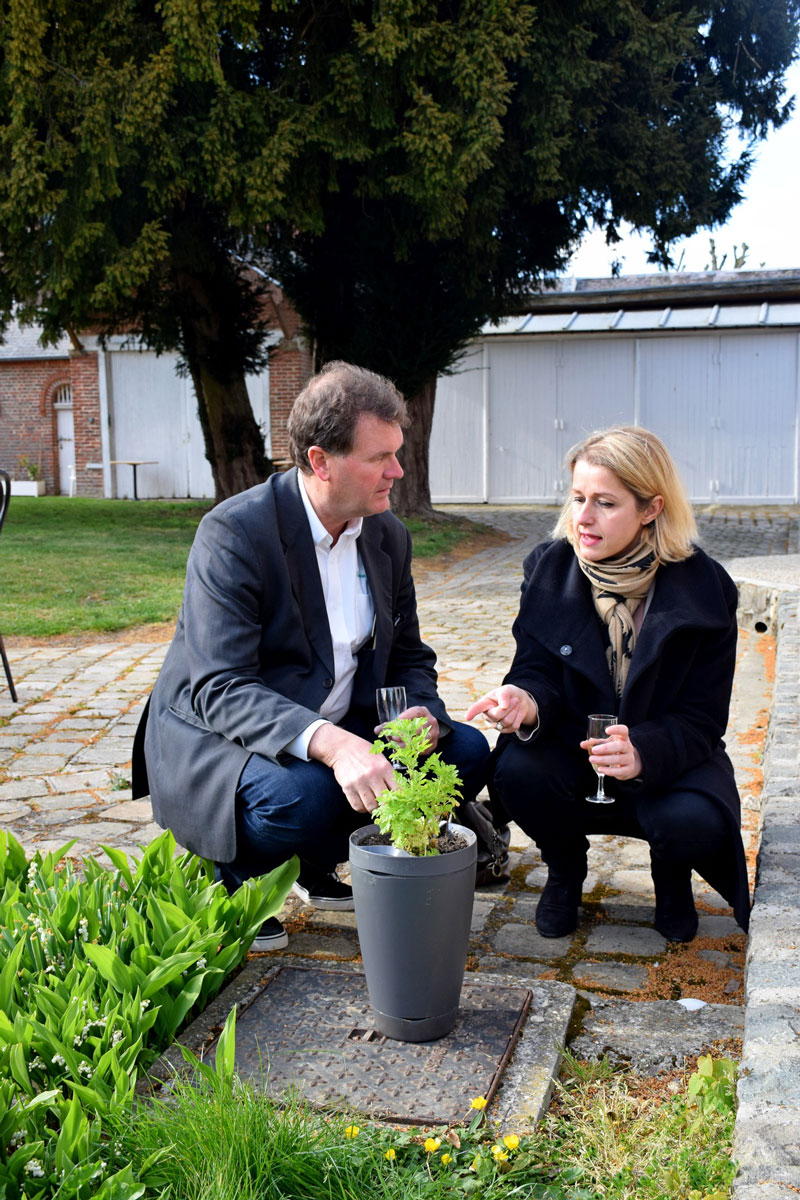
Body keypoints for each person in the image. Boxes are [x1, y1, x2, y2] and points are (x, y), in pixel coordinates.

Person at [132, 361, 489, 949]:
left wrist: (420, 709)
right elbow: (220, 686)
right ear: (321, 461)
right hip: (222, 737)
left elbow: (408, 655)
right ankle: (236, 875)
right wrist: (336, 744)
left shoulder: (387, 535)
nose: (398, 472)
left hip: (335, 717)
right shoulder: (235, 532)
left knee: (467, 753)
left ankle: (316, 862)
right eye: (381, 458)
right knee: (311, 795)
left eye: (398, 454)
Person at [466, 426, 749, 943]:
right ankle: (565, 870)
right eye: (577, 498)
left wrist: (644, 750)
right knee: (516, 771)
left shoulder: (705, 588)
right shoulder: (549, 569)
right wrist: (524, 701)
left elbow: (703, 719)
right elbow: (535, 668)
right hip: (573, 752)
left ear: (650, 508)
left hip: (666, 764)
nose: (583, 518)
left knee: (695, 818)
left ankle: (672, 875)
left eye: (604, 503)